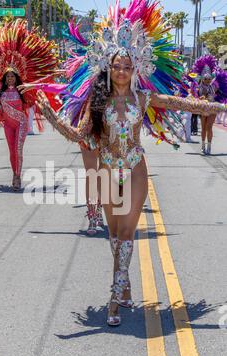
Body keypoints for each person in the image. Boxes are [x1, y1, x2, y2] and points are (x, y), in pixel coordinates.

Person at [35, 0, 227, 327]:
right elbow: (76, 134)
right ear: (108, 69)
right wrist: (51, 116)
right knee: (113, 233)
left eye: (127, 65)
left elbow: (183, 102)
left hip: (135, 168)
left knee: (127, 232)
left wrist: (217, 107)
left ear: (135, 69)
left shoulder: (143, 98)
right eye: (117, 65)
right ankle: (123, 284)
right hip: (108, 169)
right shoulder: (97, 101)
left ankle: (114, 296)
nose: (121, 71)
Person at [0, 19, 65, 191]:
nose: (10, 79)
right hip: (8, 125)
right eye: (8, 77)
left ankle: (17, 177)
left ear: (17, 77)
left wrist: (53, 73)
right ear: (4, 78)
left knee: (18, 150)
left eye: (13, 77)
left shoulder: (22, 89)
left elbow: (39, 83)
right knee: (11, 151)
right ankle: (15, 172)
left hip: (20, 124)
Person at [191, 55, 227, 155]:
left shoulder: (214, 86)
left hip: (212, 108)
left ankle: (209, 146)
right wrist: (201, 97)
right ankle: (203, 145)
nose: (207, 80)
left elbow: (219, 94)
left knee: (209, 127)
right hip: (203, 109)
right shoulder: (199, 87)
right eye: (206, 79)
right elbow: (197, 96)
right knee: (203, 127)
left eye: (209, 78)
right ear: (202, 78)